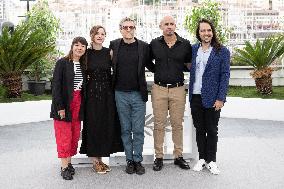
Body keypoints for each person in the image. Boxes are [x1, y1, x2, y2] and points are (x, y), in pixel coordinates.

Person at [109, 17, 155, 175]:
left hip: (138, 94)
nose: (128, 30)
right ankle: (129, 160)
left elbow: (152, 65)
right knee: (125, 129)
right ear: (120, 29)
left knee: (139, 130)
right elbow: (105, 64)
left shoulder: (143, 46)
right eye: (125, 27)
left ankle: (138, 160)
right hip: (119, 93)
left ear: (135, 28)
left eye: (131, 27)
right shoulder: (114, 45)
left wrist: (174, 68)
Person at [79, 25, 124, 174]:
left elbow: (116, 71)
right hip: (91, 95)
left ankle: (101, 159)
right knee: (93, 125)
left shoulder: (108, 52)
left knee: (105, 125)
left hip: (107, 94)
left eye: (103, 34)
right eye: (97, 33)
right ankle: (95, 161)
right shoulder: (86, 53)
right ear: (92, 35)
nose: (100, 36)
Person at [150, 15, 192, 171]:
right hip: (159, 89)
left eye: (172, 24)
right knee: (159, 124)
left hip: (178, 89)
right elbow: (148, 61)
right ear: (161, 26)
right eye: (166, 24)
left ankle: (178, 156)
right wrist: (159, 70)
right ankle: (159, 157)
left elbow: (189, 64)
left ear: (175, 26)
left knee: (177, 124)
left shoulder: (185, 44)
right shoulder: (154, 44)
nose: (169, 26)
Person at [189, 18, 230, 175]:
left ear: (212, 32)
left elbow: (225, 75)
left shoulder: (222, 51)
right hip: (195, 96)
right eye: (202, 30)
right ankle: (202, 158)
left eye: (208, 30)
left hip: (213, 98)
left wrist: (221, 98)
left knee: (212, 130)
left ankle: (211, 160)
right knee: (199, 129)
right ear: (198, 33)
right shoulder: (193, 50)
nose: (206, 33)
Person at [50, 36, 88, 180]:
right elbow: (56, 87)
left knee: (74, 135)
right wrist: (60, 107)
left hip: (78, 104)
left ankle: (70, 163)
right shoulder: (62, 63)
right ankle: (64, 166)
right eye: (77, 45)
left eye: (83, 46)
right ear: (72, 46)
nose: (80, 48)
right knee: (64, 136)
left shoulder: (83, 65)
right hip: (64, 104)